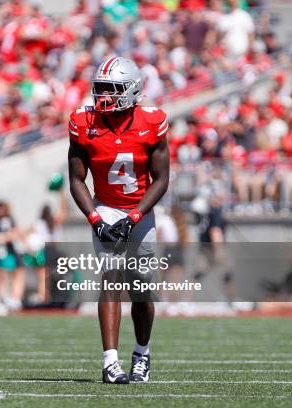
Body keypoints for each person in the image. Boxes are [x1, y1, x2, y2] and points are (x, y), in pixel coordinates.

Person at [68, 57, 170, 383]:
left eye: (111, 90)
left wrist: (137, 215)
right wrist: (96, 218)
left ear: (132, 90)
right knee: (111, 276)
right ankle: (110, 362)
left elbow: (162, 179)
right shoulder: (83, 122)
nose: (103, 97)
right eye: (100, 89)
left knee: (141, 289)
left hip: (140, 207)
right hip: (107, 206)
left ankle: (142, 353)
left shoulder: (151, 122)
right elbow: (75, 179)